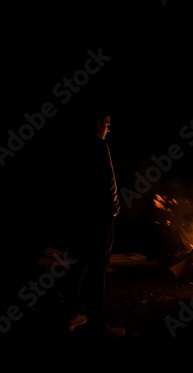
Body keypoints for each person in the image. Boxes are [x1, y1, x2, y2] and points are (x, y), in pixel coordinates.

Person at [61, 110, 125, 339]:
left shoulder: (75, 146)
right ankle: (98, 323)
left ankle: (70, 316)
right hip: (100, 215)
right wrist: (114, 206)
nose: (109, 128)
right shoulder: (99, 146)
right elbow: (109, 180)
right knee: (99, 267)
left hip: (79, 216)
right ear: (98, 123)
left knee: (79, 263)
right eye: (108, 123)